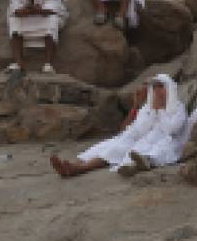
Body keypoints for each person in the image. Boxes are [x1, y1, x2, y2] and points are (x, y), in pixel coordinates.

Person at [51, 74, 187, 176]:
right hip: (135, 138)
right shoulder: (147, 108)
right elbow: (140, 129)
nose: (157, 91)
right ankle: (71, 166)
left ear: (168, 88)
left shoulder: (178, 108)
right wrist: (151, 111)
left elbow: (172, 129)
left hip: (152, 142)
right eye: (155, 87)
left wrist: (160, 111)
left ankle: (78, 169)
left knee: (111, 151)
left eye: (160, 87)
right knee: (99, 148)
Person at [6, 0, 63, 73]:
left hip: (45, 14)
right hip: (25, 15)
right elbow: (14, 4)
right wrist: (25, 10)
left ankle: (48, 64)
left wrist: (40, 10)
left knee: (52, 21)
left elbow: (55, 4)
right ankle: (18, 62)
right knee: (13, 21)